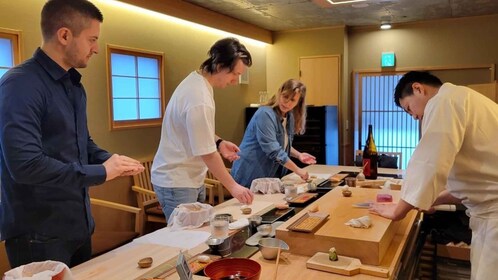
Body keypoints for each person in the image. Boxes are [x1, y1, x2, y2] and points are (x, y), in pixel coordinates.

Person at [0, 0, 145, 268]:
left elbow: (81, 144)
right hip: (38, 234)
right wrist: (101, 172)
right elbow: (25, 165)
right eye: (91, 39)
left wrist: (111, 159)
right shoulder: (21, 84)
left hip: (77, 224)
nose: (96, 49)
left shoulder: (74, 86)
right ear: (64, 35)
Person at [369, 71, 498, 279]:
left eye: (409, 108)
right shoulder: (462, 97)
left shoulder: (444, 101)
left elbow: (429, 164)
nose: (413, 116)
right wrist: (428, 199)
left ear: (418, 89)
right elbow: (475, 183)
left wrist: (399, 210)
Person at [151, 37, 254, 222]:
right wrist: (234, 187)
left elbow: (194, 128)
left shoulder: (197, 82)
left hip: (189, 178)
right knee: (185, 239)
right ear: (220, 66)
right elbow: (207, 154)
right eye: (235, 75)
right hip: (177, 180)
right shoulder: (199, 97)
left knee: (197, 235)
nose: (235, 81)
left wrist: (219, 142)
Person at [231, 79, 316, 188]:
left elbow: (282, 145)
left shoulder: (289, 116)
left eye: (293, 100)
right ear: (279, 93)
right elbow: (274, 150)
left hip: (268, 176)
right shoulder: (265, 114)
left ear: (298, 103)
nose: (288, 103)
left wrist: (298, 155)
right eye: (285, 97)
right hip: (250, 172)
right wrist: (298, 170)